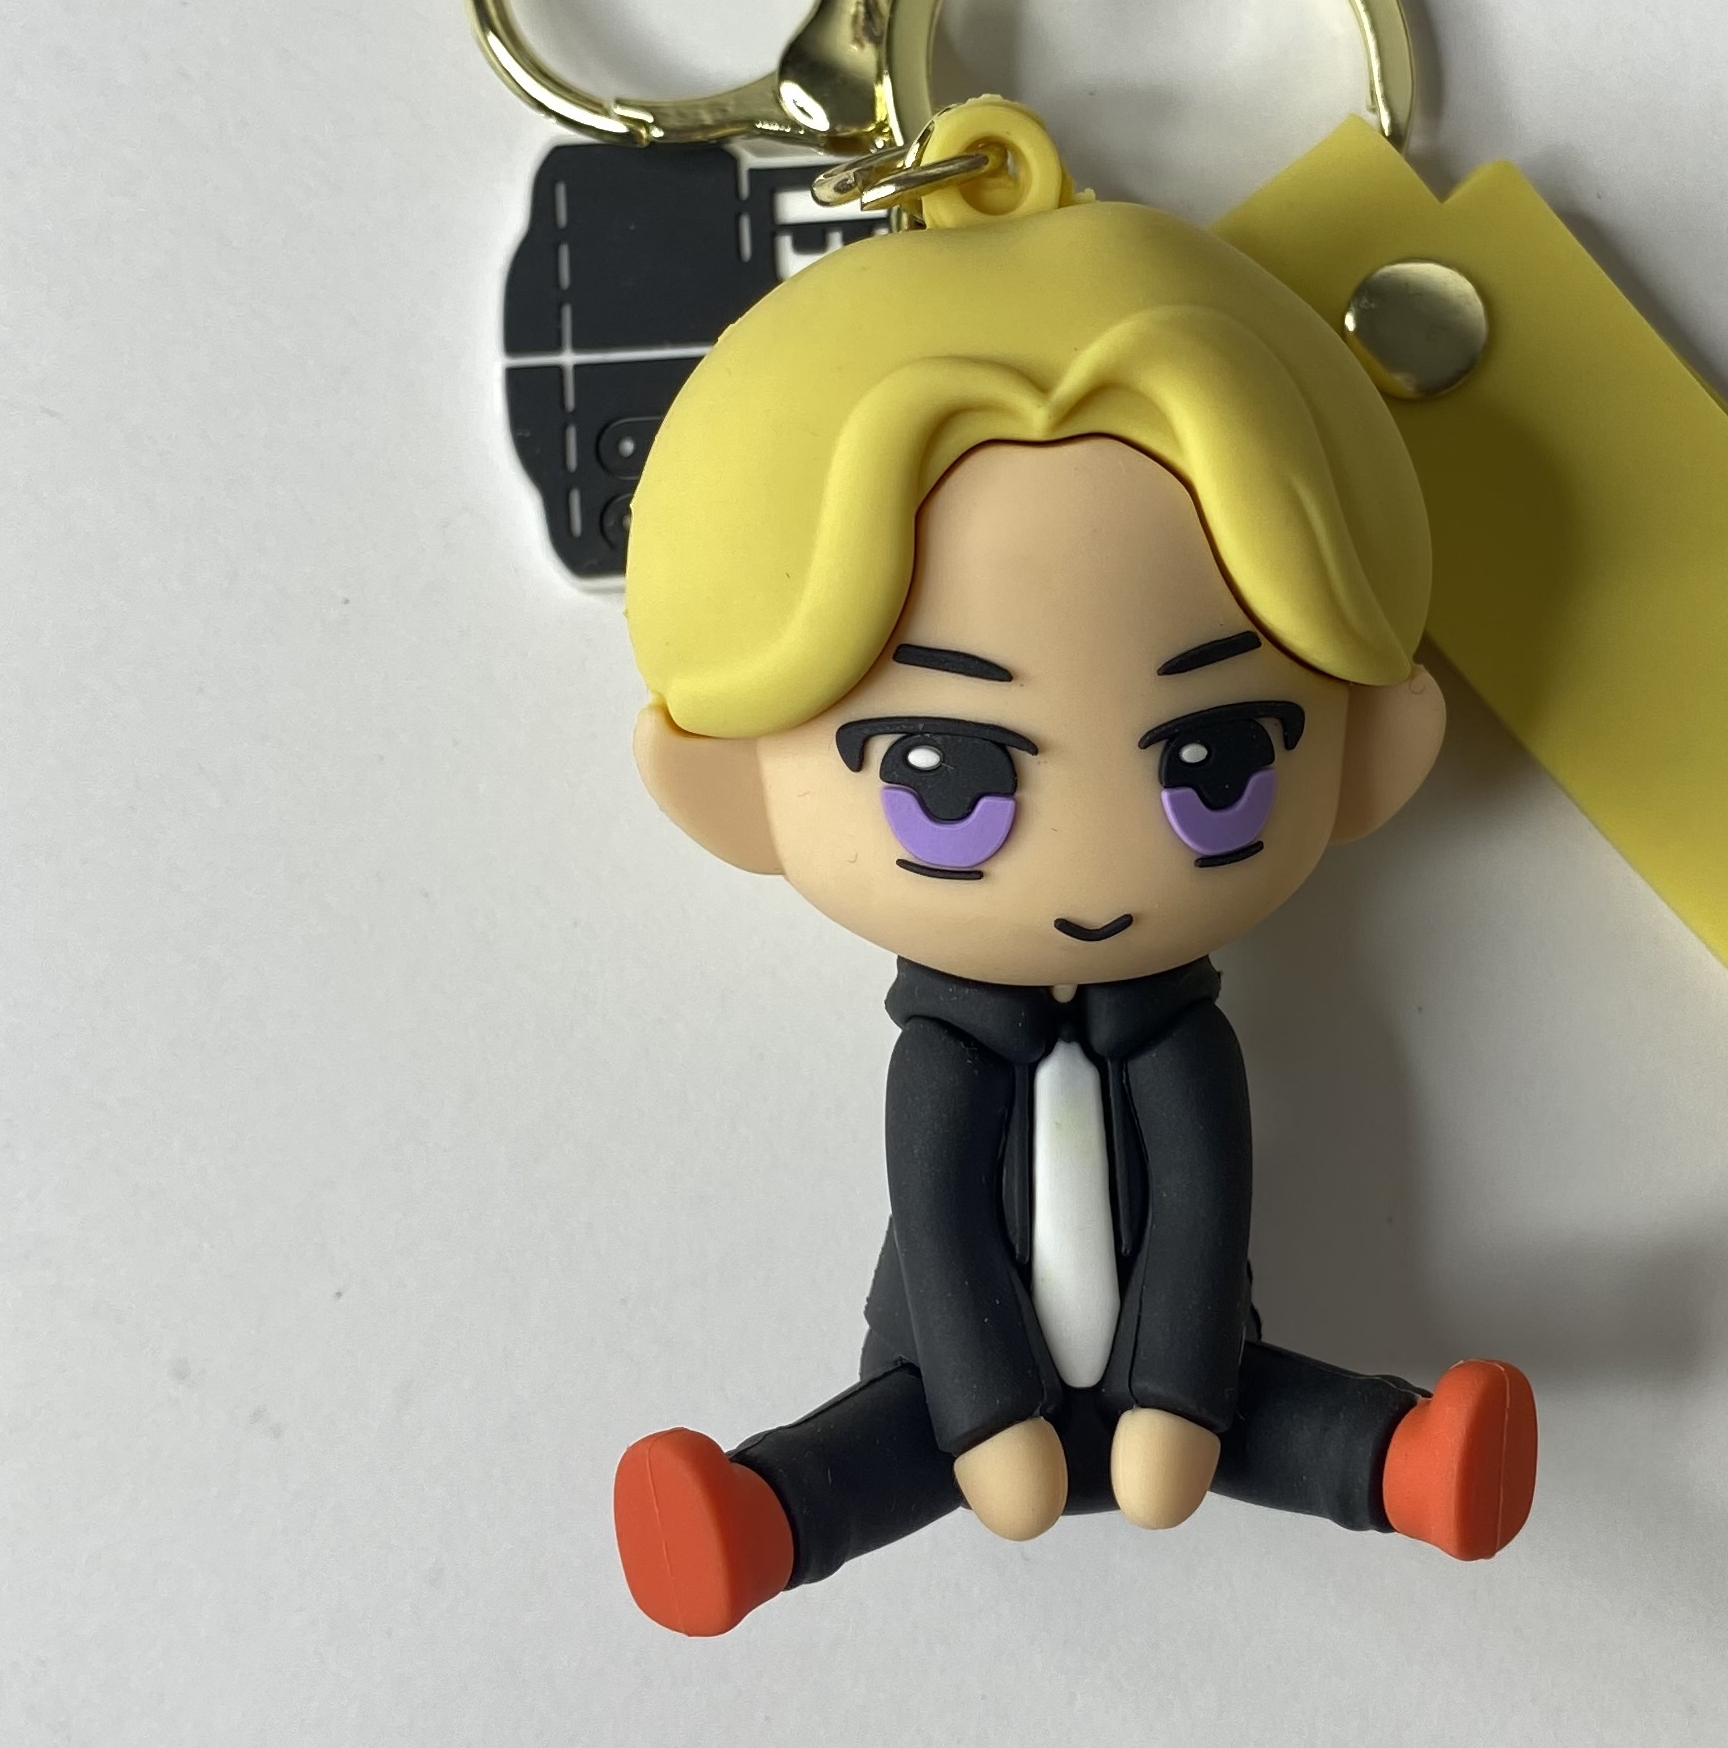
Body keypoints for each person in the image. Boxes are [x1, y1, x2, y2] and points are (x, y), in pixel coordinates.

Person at [606, 110, 1538, 1636]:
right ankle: (764, 1524)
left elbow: (1205, 1216)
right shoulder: (942, 1061)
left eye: (1214, 760)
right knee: (893, 1435)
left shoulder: (1184, 1045)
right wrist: (990, 1423)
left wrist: (1177, 1400)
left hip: (1191, 1381)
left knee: (1261, 1408)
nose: (1090, 869)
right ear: (734, 797)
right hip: (956, 1386)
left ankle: (1408, 1467)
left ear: (1369, 750)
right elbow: (941, 1226)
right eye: (945, 778)